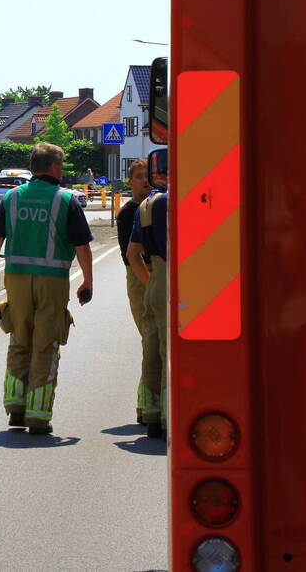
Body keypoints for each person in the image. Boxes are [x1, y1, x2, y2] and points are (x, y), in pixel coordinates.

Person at [0, 143, 93, 435]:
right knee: (45, 343)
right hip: (52, 280)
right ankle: (38, 416)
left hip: (16, 278)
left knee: (19, 338)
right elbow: (81, 246)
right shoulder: (66, 199)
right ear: (54, 167)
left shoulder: (12, 197)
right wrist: (87, 281)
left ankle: (15, 408)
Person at [126, 164, 168, 440]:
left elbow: (132, 254)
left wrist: (151, 283)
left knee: (153, 347)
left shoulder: (148, 206)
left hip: (157, 281)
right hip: (189, 279)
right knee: (173, 352)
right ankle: (170, 414)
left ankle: (153, 415)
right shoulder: (199, 197)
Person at [116, 160, 159, 427]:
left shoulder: (158, 206)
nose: (145, 180)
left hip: (155, 272)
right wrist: (152, 284)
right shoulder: (129, 212)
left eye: (148, 176)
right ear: (130, 182)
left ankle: (150, 404)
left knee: (155, 341)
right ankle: (148, 405)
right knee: (151, 338)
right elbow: (130, 255)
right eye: (139, 176)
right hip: (140, 274)